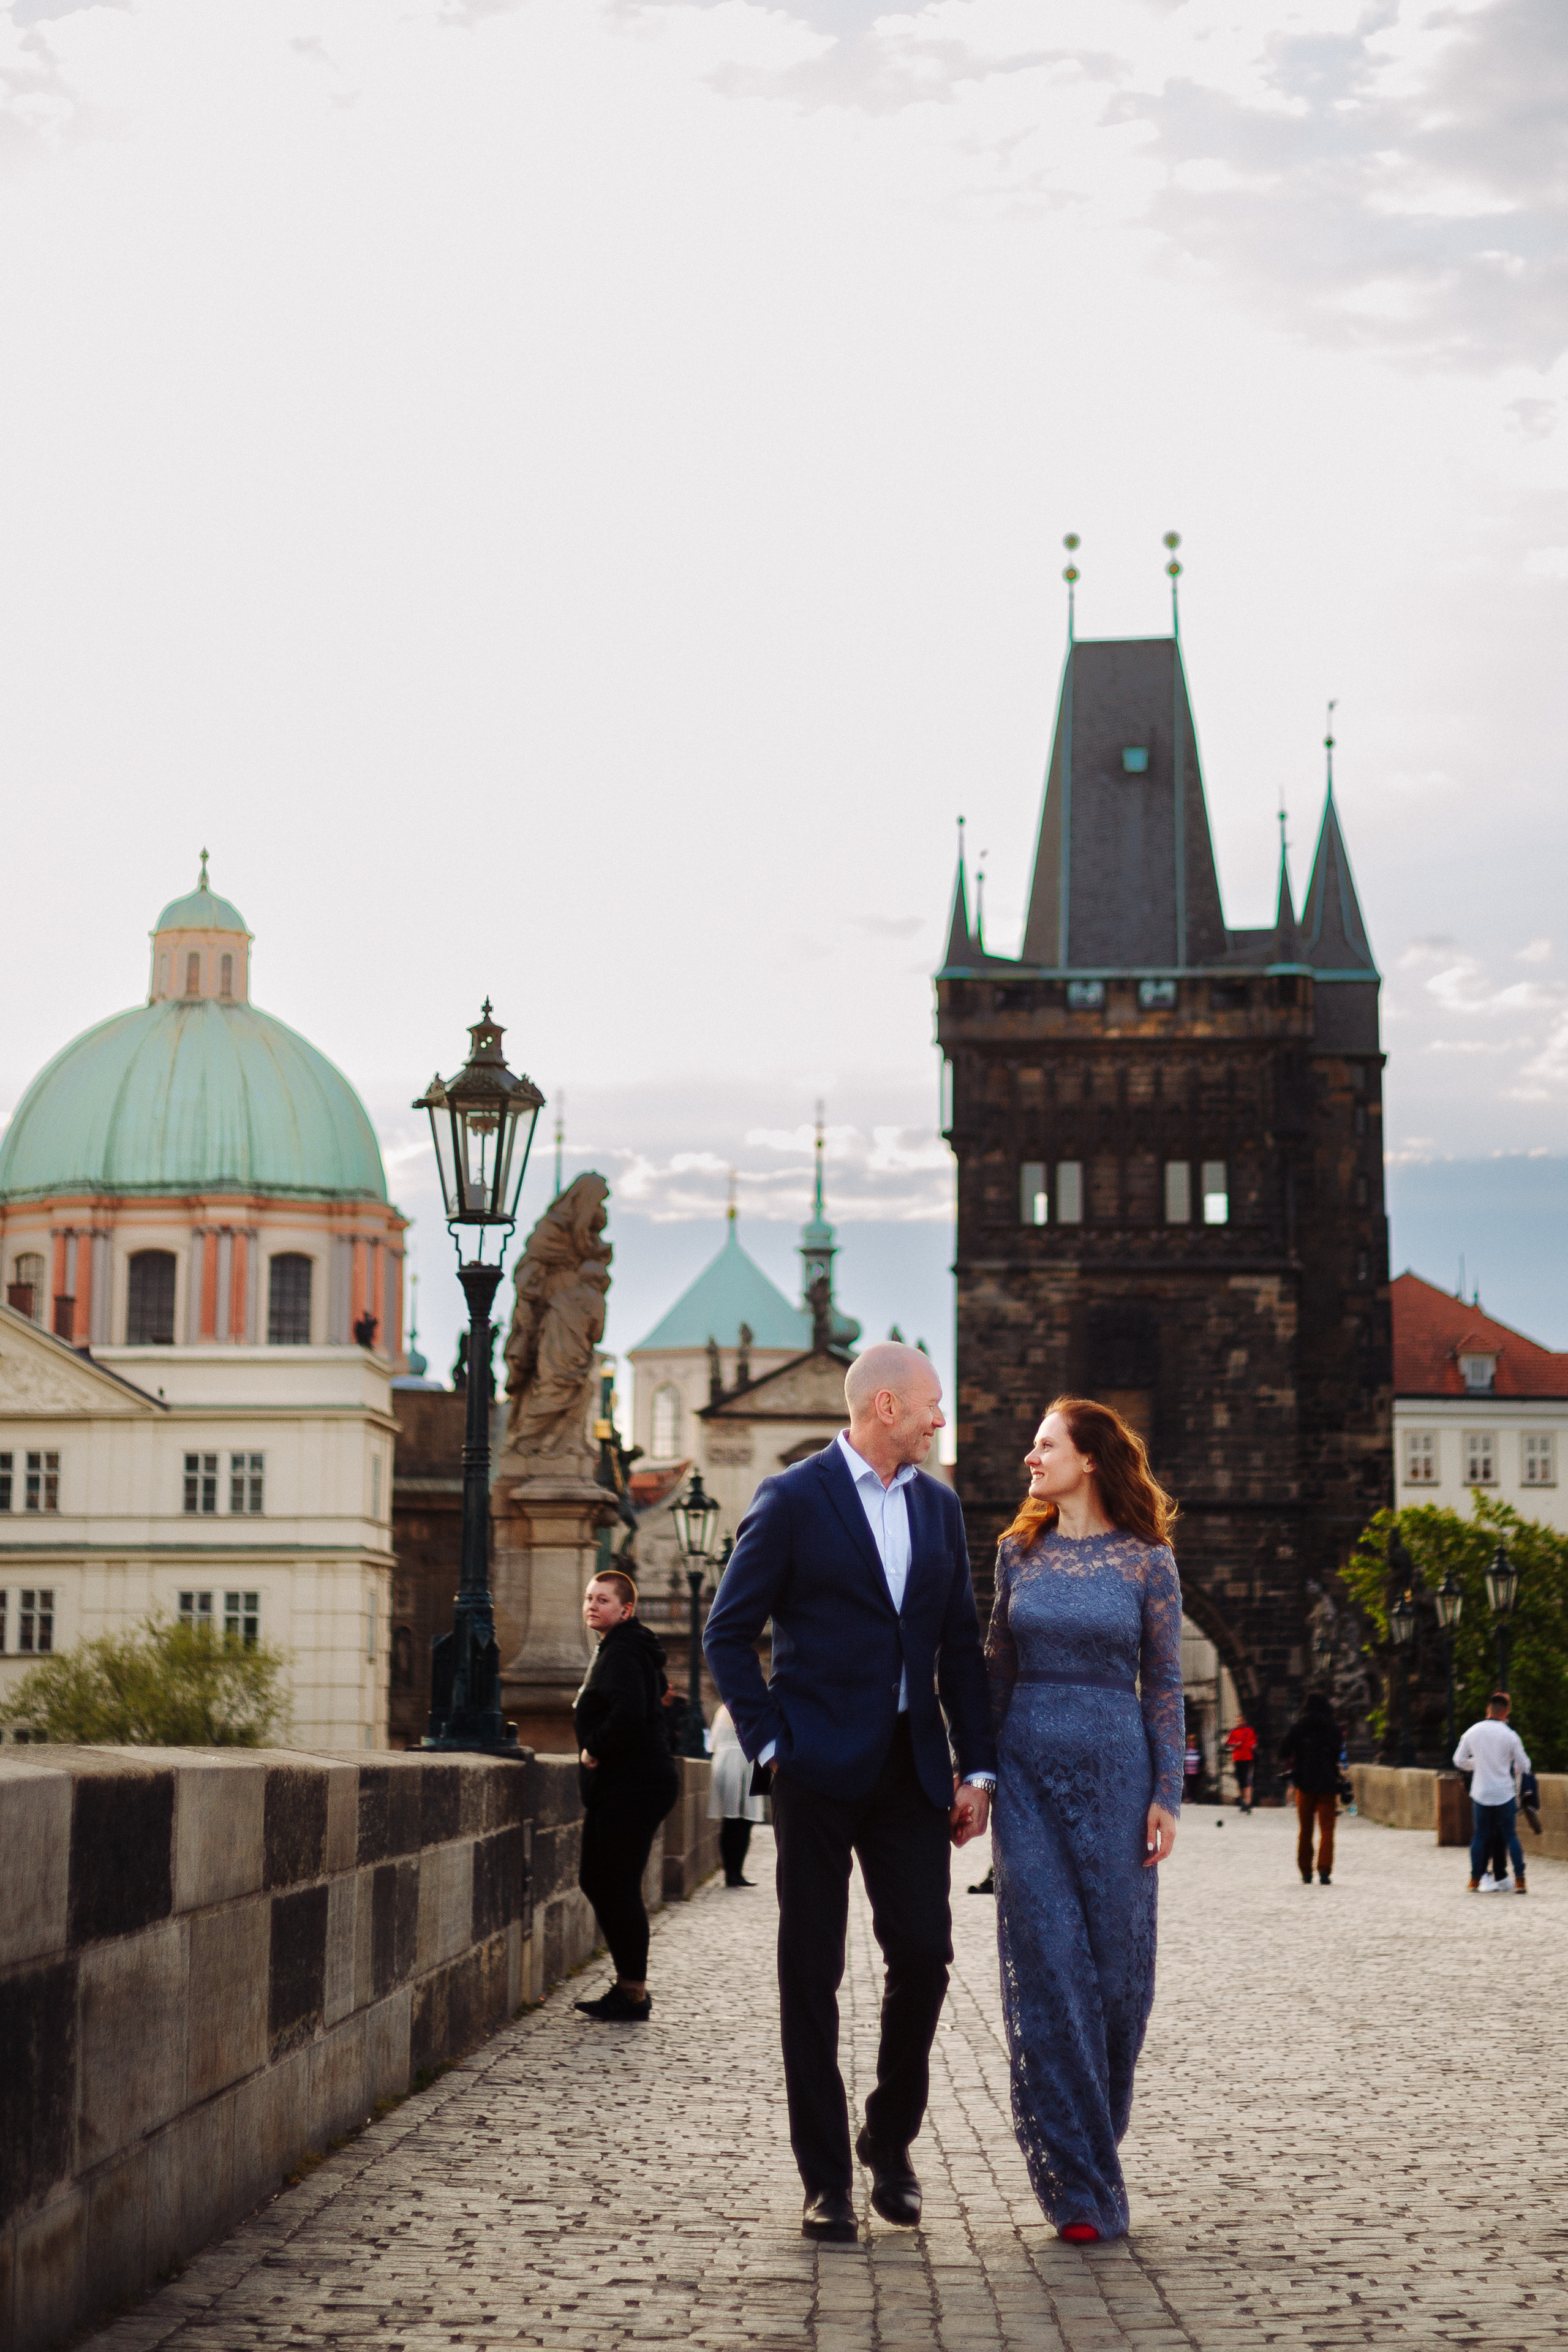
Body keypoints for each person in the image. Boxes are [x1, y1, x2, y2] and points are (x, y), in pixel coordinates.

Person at [703, 1341, 996, 2245]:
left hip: (913, 1773)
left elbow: (959, 1646)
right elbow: (727, 1634)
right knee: (811, 1975)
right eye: (930, 1406)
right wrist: (774, 1742)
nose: (939, 1420)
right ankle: (825, 2179)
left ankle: (889, 2139)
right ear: (884, 1408)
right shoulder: (793, 1499)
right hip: (818, 1776)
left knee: (926, 1956)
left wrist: (978, 1768)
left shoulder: (940, 1509)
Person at [986, 1397, 1183, 2245]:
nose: (1031, 1459)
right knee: (1049, 1969)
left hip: (1116, 1778)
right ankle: (1075, 2186)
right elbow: (995, 1668)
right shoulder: (1013, 1553)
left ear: (1090, 1458)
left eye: (1045, 1445)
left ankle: (1097, 2145)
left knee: (1115, 1984)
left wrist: (1166, 1794)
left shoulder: (1148, 1562)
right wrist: (978, 1775)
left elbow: (1166, 1683)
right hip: (1026, 1775)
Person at [572, 1569, 682, 2020]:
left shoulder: (620, 1651)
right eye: (589, 1598)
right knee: (601, 1880)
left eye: (603, 1600)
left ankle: (633, 1992)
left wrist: (594, 1746)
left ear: (626, 1610)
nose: (593, 1605)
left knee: (613, 1884)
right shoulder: (625, 1647)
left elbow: (630, 1714)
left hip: (632, 1783)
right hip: (633, 1782)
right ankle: (629, 1988)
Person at [1455, 1691, 1529, 1895]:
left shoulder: (1472, 1732)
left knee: (1480, 1836)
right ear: (1506, 1712)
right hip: (1504, 1793)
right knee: (1511, 1836)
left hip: (1481, 1793)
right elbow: (1525, 1765)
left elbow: (1459, 1761)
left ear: (1489, 1709)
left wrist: (1478, 1764)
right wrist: (1508, 1768)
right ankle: (1520, 1880)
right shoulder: (1511, 1736)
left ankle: (1474, 1879)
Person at [1278, 1691, 1343, 1885]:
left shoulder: (1299, 1727)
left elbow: (1283, 1751)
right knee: (1327, 1830)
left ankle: (1306, 1870)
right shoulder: (1332, 1727)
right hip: (1328, 1785)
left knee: (1305, 1830)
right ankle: (1324, 1870)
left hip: (1304, 1783)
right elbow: (1338, 1752)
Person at [708, 1702, 766, 1886]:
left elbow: (713, 1742)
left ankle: (732, 1872)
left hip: (726, 1761)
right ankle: (735, 1872)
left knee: (732, 1821)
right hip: (742, 1761)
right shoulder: (749, 1706)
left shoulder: (722, 1710)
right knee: (741, 1822)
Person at [1224, 1718, 1257, 1812]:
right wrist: (1235, 1744)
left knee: (1248, 1780)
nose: (1240, 1722)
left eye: (1242, 1720)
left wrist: (1253, 1745)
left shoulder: (1250, 1731)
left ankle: (1248, 1802)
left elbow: (1254, 1742)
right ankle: (1242, 1800)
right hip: (1238, 1758)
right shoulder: (1234, 1732)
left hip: (1248, 1758)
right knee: (1240, 1780)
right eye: (1238, 1721)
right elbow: (1228, 1744)